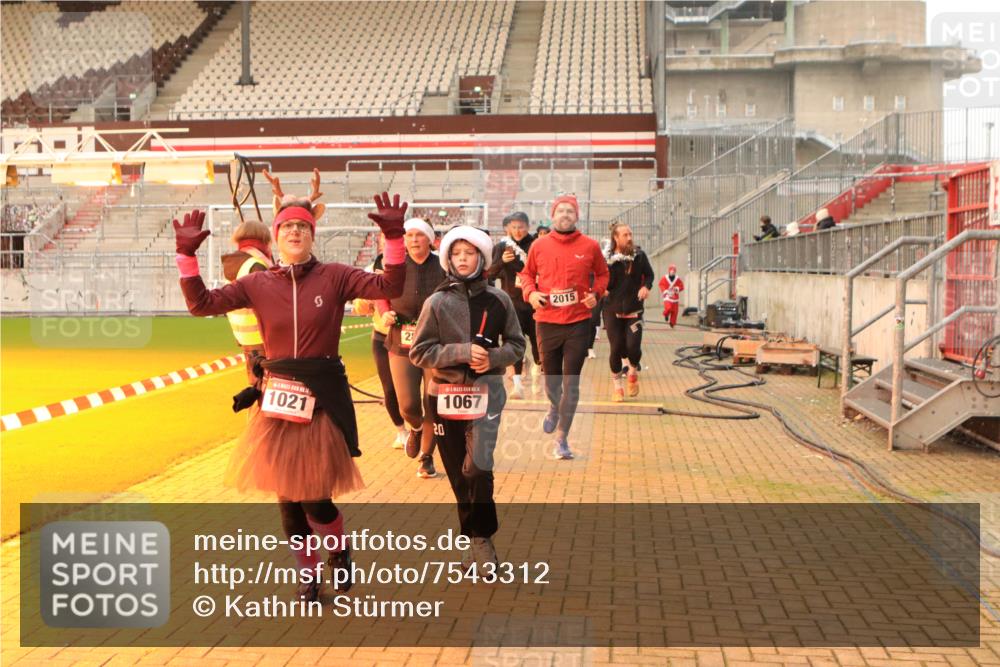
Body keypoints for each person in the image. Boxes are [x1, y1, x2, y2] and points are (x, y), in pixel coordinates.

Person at [174, 190, 409, 602]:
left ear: (312, 234)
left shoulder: (335, 276)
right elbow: (201, 305)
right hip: (278, 399)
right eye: (288, 227)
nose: (296, 231)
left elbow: (389, 283)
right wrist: (186, 257)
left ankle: (337, 551)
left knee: (316, 500)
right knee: (288, 504)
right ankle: (308, 572)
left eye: (303, 226)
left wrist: (393, 238)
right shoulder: (257, 282)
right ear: (277, 237)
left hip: (321, 397)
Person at [410, 225, 525, 571]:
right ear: (448, 258)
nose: (463, 259)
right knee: (459, 475)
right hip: (443, 398)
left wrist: (493, 359)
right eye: (457, 253)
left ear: (481, 257)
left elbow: (518, 345)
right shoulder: (437, 302)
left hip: (486, 396)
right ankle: (473, 537)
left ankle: (482, 537)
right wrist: (460, 352)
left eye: (470, 253)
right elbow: (419, 352)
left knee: (477, 468)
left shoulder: (500, 300)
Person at [519, 194, 609, 460]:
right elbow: (526, 274)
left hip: (579, 322)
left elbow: (603, 274)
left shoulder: (590, 246)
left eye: (571, 211)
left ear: (577, 216)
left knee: (571, 383)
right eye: (561, 211)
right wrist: (531, 293)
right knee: (552, 382)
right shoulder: (539, 245)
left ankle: (562, 438)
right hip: (547, 322)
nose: (566, 215)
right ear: (553, 216)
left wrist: (596, 293)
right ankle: (553, 406)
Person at [376, 218, 446, 479]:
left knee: (434, 403)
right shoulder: (394, 267)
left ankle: (427, 457)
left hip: (435, 344)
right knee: (408, 405)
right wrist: (384, 312)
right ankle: (415, 428)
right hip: (400, 341)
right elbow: (380, 293)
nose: (414, 240)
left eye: (419, 235)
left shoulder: (443, 265)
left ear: (430, 239)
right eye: (409, 235)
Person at [353, 234, 408, 449]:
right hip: (383, 335)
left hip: (411, 336)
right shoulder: (370, 268)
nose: (388, 243)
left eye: (393, 238)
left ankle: (420, 426)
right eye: (384, 239)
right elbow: (360, 307)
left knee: (414, 389)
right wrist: (368, 299)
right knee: (389, 388)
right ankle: (401, 430)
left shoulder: (412, 265)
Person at [486, 211, 540, 399]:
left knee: (537, 343)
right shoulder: (502, 247)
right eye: (514, 227)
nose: (518, 231)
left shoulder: (536, 245)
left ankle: (537, 374)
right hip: (513, 303)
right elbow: (490, 274)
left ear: (528, 227)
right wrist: (502, 262)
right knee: (515, 343)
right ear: (507, 228)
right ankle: (517, 385)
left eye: (521, 227)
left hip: (535, 302)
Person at [603, 222, 654, 401]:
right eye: (625, 235)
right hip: (612, 310)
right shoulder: (606, 258)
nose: (630, 238)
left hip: (634, 309)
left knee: (633, 347)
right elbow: (598, 276)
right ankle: (617, 388)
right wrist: (601, 288)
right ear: (615, 238)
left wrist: (646, 287)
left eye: (630, 234)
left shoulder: (639, 256)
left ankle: (632, 371)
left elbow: (649, 274)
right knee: (616, 348)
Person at [221, 219, 273, 383]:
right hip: (262, 337)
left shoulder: (234, 263)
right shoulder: (256, 265)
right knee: (266, 386)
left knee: (255, 383)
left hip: (243, 336)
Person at [659, 264, 685, 329]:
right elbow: (661, 284)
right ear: (669, 270)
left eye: (674, 270)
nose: (672, 271)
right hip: (667, 297)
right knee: (668, 308)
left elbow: (682, 286)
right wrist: (664, 291)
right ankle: (666, 314)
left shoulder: (677, 279)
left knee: (675, 312)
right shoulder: (665, 278)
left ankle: (672, 323)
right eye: (671, 270)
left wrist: (677, 288)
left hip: (675, 298)